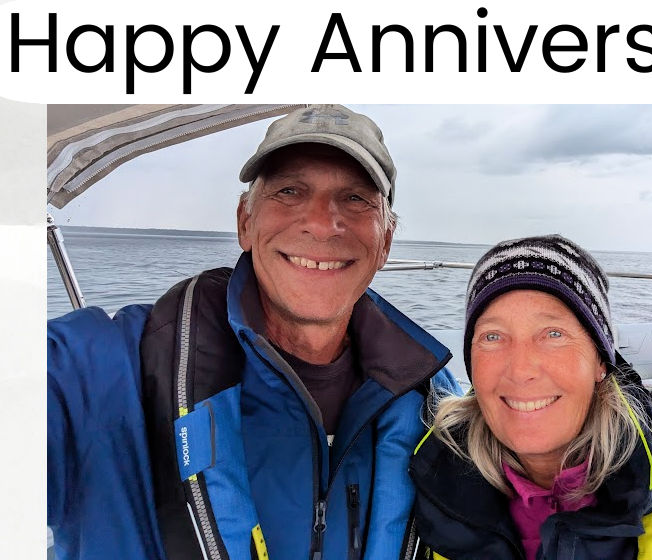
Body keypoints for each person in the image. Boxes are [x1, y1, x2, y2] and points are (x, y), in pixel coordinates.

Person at [48, 104, 459, 560]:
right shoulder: (101, 368)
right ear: (245, 221)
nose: (323, 223)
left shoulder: (433, 397)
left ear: (385, 241)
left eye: (356, 198)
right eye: (289, 190)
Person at [409, 234, 652, 560]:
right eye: (493, 336)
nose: (521, 368)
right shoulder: (425, 489)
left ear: (601, 362)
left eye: (553, 334)